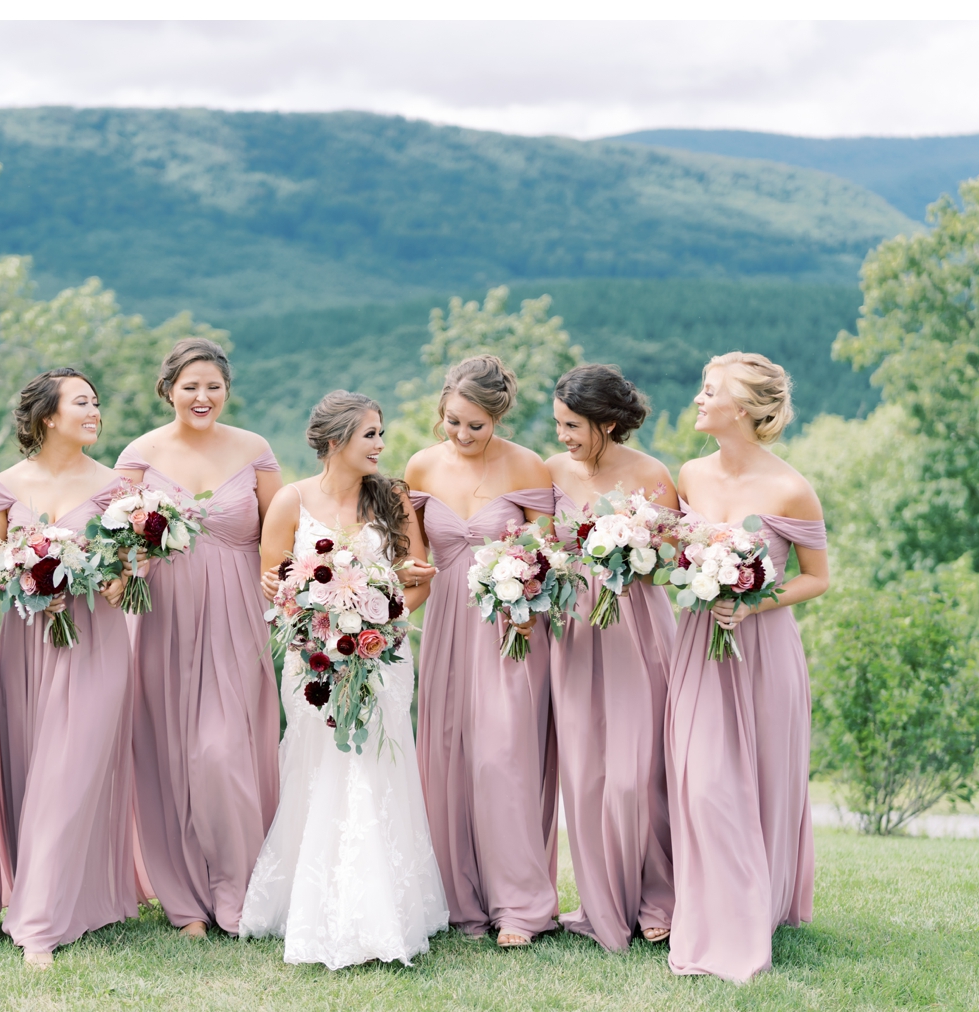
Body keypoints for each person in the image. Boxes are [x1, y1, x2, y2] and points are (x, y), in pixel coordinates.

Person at [239, 390, 448, 968]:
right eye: (371, 435)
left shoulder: (393, 500)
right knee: (319, 762)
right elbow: (275, 585)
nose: (381, 445)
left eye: (381, 434)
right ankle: (312, 898)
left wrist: (381, 619)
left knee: (375, 762)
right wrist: (319, 624)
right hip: (314, 659)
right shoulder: (290, 501)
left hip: (382, 654)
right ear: (336, 441)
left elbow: (420, 581)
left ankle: (384, 907)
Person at [665, 351, 830, 982]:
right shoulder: (690, 474)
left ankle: (752, 913)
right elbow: (681, 556)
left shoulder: (791, 488)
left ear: (746, 410)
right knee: (704, 783)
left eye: (711, 392)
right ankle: (714, 915)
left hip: (764, 650)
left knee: (762, 783)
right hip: (698, 646)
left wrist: (753, 601)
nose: (700, 399)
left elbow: (817, 579)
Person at [118, 338, 283, 939]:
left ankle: (237, 889)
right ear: (168, 391)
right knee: (173, 753)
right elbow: (120, 541)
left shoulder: (255, 450)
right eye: (190, 386)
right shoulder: (139, 454)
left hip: (238, 611)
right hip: (164, 612)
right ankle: (185, 897)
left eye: (213, 385)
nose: (202, 396)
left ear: (227, 390)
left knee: (224, 751)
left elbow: (280, 536)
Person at [0, 369, 139, 970]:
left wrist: (101, 572)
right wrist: (25, 570)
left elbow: (124, 582)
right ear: (49, 416)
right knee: (32, 769)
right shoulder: (2, 486)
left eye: (97, 402)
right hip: (28, 641)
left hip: (94, 640)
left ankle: (39, 925)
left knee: (69, 771)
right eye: (82, 403)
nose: (95, 411)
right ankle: (63, 894)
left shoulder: (115, 487)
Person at [403, 355, 560, 948]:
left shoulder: (528, 466)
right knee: (447, 755)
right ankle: (457, 900)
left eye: (477, 425)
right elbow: (414, 559)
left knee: (503, 758)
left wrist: (528, 597)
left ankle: (519, 906)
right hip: (445, 626)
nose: (463, 436)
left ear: (499, 417)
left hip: (509, 630)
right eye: (453, 422)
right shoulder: (419, 466)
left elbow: (549, 557)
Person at [544, 364, 677, 952]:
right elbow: (543, 545)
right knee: (585, 771)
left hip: (636, 625)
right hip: (574, 627)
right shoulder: (549, 472)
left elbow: (675, 558)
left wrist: (640, 550)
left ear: (607, 422)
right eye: (558, 424)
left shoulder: (652, 474)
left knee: (637, 774)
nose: (563, 437)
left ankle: (658, 896)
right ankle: (600, 902)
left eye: (572, 425)